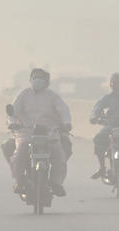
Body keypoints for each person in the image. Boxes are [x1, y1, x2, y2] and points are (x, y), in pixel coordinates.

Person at [8, 68, 71, 197]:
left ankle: (56, 183)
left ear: (46, 82)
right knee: (20, 152)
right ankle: (19, 182)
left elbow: (63, 110)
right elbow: (13, 112)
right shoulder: (24, 95)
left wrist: (67, 124)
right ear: (30, 79)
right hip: (26, 132)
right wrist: (12, 123)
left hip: (49, 133)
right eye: (35, 77)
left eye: (41, 78)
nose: (37, 80)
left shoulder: (53, 96)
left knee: (59, 155)